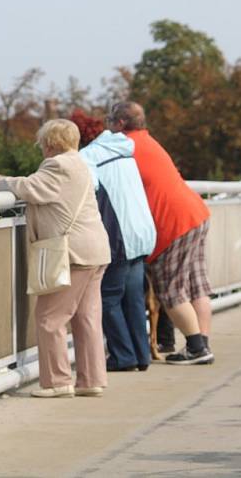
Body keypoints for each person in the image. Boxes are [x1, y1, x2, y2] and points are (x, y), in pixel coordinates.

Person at [0, 119, 110, 397]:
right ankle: (91, 380)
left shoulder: (58, 165)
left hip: (73, 253)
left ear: (50, 143)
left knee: (49, 317)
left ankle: (57, 381)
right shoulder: (80, 163)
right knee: (86, 317)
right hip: (95, 249)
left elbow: (32, 188)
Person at [106, 101, 214, 366]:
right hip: (195, 213)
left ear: (120, 124)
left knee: (172, 290)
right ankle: (201, 343)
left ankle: (196, 348)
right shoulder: (149, 142)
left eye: (110, 121)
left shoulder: (125, 146)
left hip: (172, 224)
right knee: (196, 285)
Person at [75, 115, 156, 372]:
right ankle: (142, 355)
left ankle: (123, 356)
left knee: (109, 298)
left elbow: (88, 190)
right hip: (142, 230)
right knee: (133, 298)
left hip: (119, 235)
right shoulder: (123, 149)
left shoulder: (88, 157)